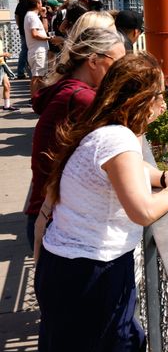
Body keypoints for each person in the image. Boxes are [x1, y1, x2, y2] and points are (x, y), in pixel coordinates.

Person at [33, 53, 168, 352]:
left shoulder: (99, 128)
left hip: (64, 267)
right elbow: (143, 211)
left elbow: (127, 170)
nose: (164, 105)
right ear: (140, 98)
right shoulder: (119, 138)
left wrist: (163, 177)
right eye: (160, 95)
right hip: (92, 275)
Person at [26, 26, 125, 249]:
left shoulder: (67, 88)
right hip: (58, 223)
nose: (119, 72)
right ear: (93, 61)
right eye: (117, 64)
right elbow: (125, 137)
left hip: (49, 215)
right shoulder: (82, 99)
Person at [23, 0, 51, 96]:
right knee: (37, 76)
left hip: (38, 50)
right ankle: (34, 100)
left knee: (40, 76)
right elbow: (34, 34)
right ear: (37, 4)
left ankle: (40, 99)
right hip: (37, 51)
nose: (42, 4)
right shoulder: (32, 16)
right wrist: (49, 38)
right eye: (41, 2)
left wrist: (43, 15)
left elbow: (45, 29)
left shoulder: (33, 16)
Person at [0, 36, 18, 111]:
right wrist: (4, 54)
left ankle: (6, 106)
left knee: (7, 85)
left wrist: (4, 55)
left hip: (2, 64)